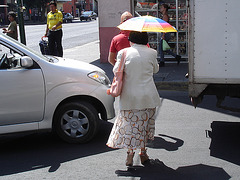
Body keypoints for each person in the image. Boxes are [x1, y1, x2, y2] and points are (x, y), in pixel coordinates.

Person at [106, 31, 160, 166]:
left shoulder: (124, 53)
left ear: (132, 40)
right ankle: (143, 153)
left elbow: (116, 70)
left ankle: (130, 154)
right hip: (148, 96)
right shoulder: (152, 52)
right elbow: (156, 70)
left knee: (131, 127)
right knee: (145, 126)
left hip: (129, 97)